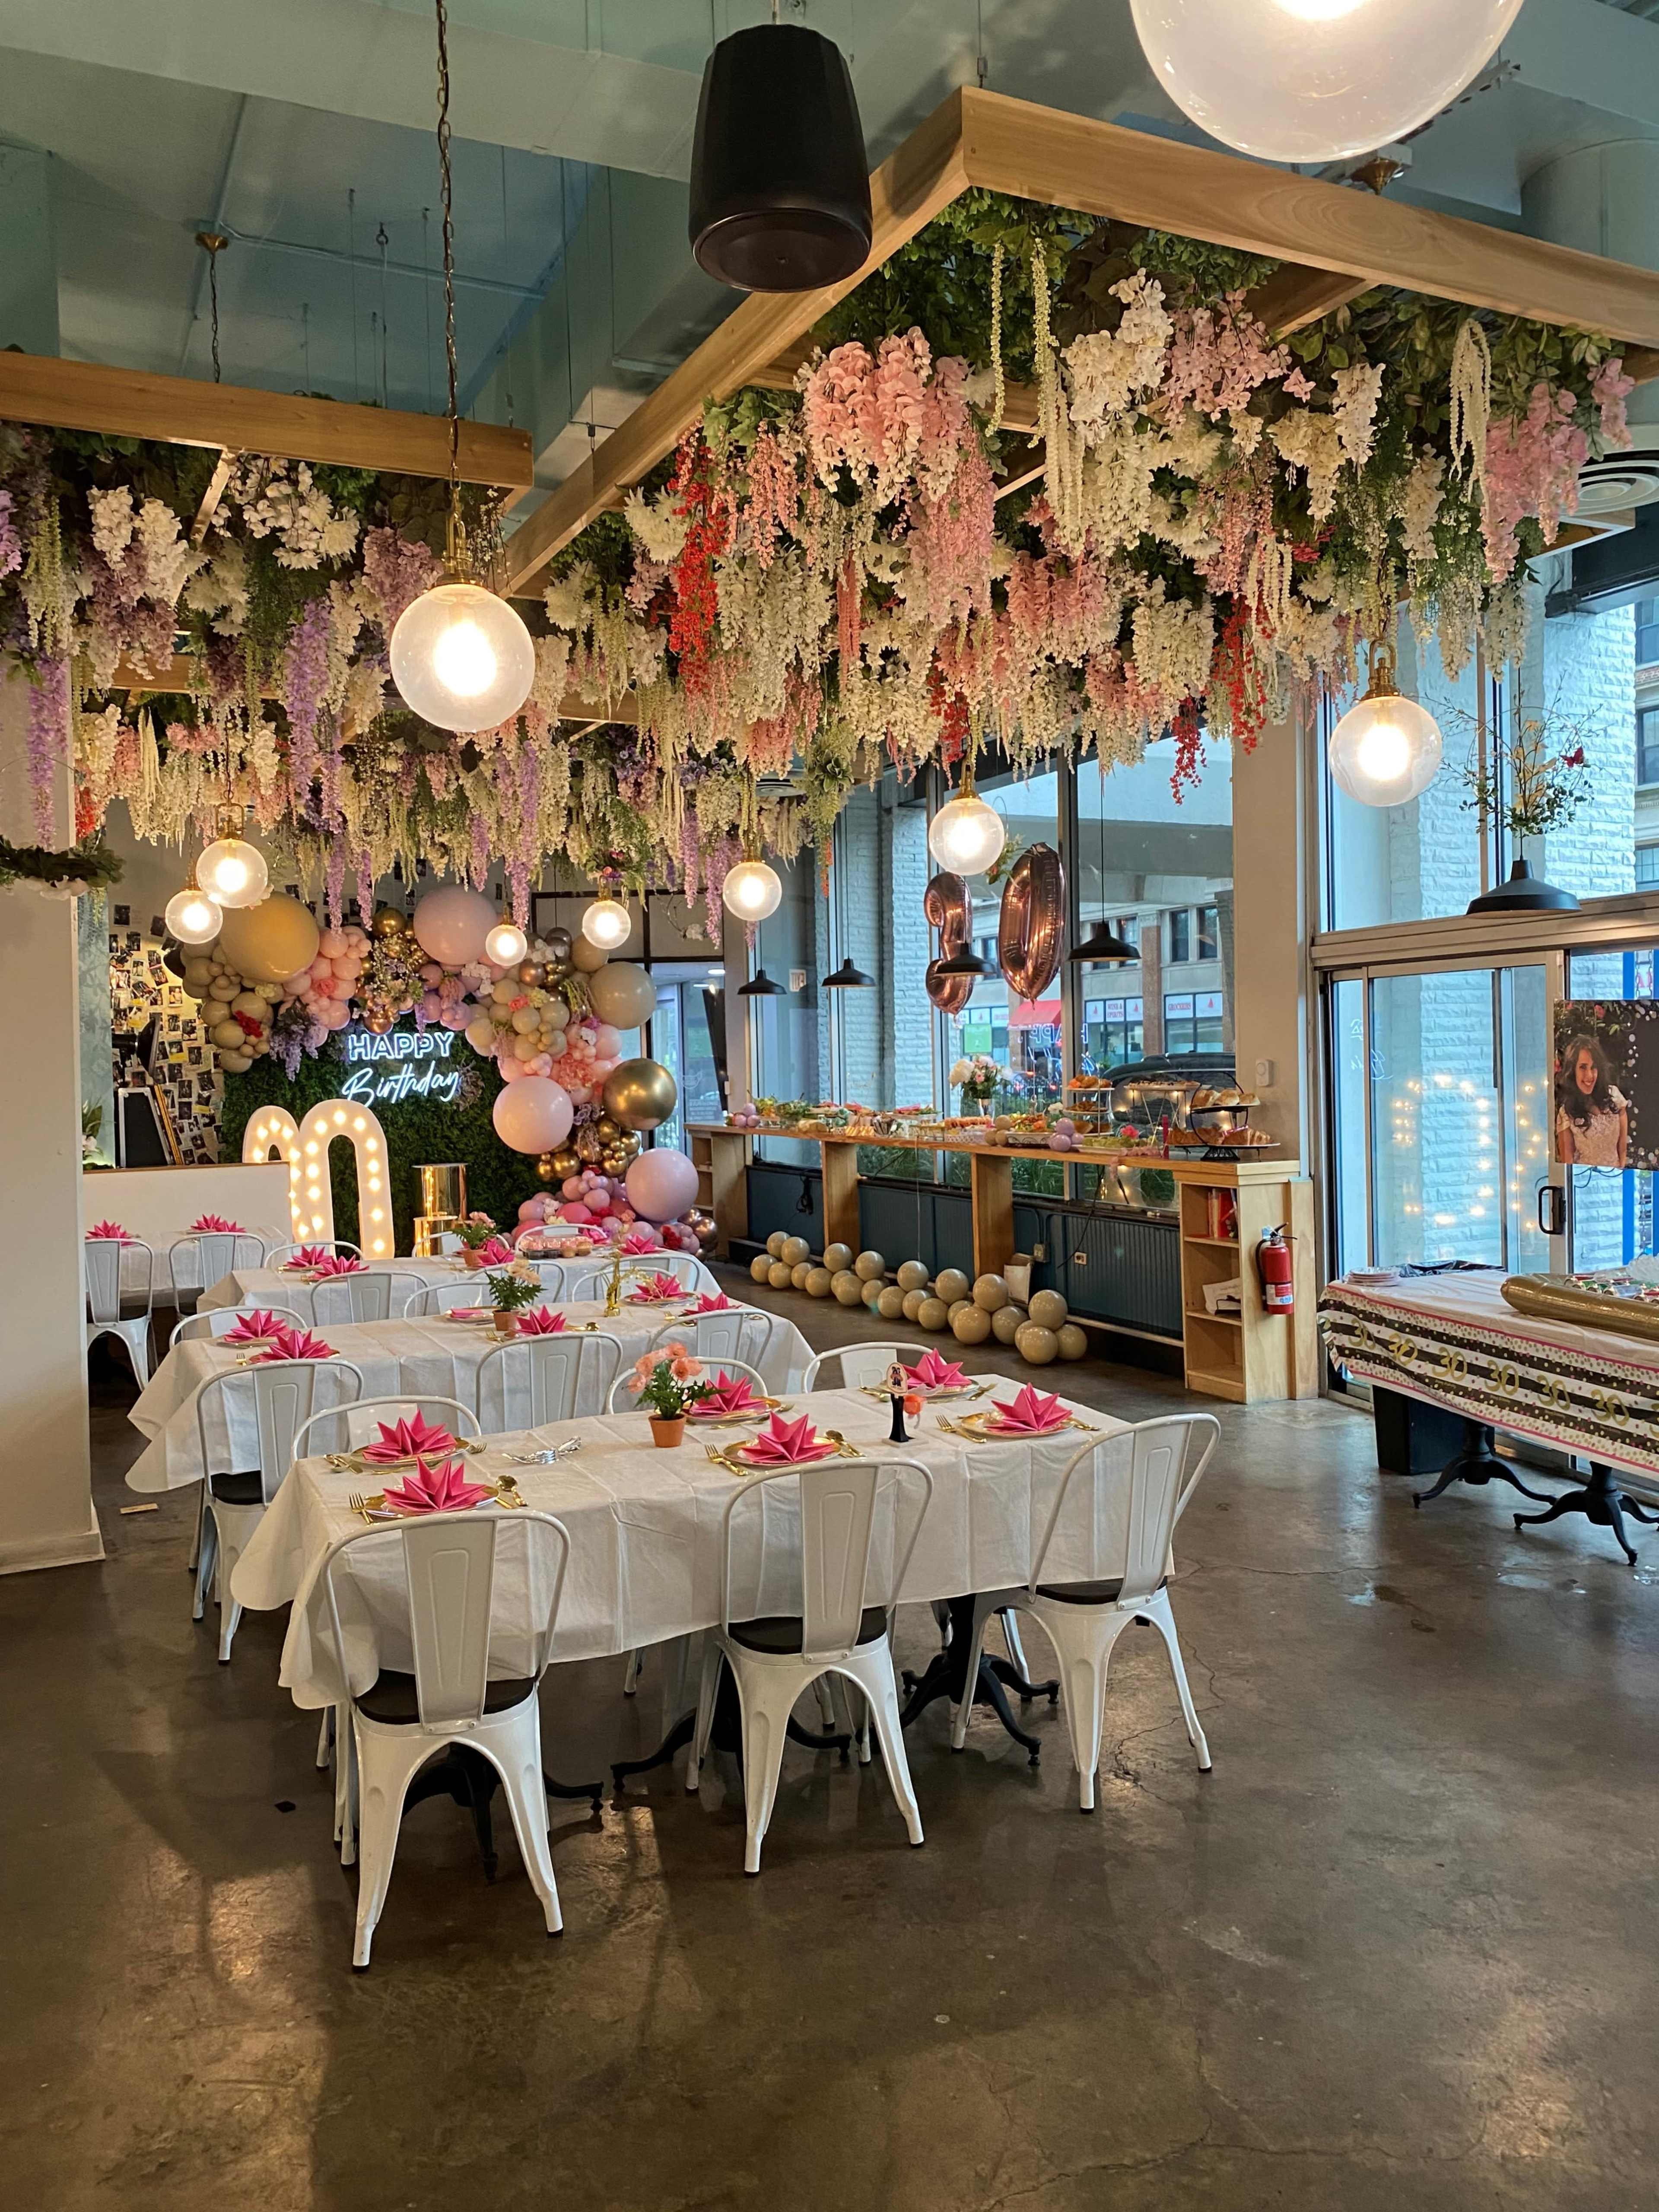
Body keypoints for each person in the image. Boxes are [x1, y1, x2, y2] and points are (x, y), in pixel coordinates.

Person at [1555, 1033, 1628, 1167]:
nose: (1589, 1075)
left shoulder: (1615, 1097)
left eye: (1593, 1067)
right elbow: (1568, 1167)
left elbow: (1622, 1152)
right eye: (1583, 1067)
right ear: (1573, 1071)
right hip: (1584, 1185)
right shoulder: (1566, 1114)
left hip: (1616, 1182)